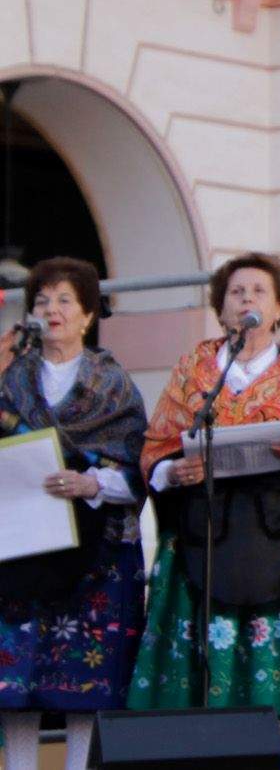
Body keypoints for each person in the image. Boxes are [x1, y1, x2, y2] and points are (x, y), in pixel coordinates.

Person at [128, 252, 280, 770]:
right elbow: (155, 449)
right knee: (210, 669)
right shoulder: (195, 370)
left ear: (278, 309)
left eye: (258, 291)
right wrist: (172, 471)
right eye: (236, 292)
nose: (246, 299)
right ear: (221, 307)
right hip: (207, 536)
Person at [0, 257, 148, 770]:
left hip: (96, 554)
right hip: (22, 545)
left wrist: (89, 482)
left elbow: (137, 467)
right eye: (42, 301)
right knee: (16, 683)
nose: (52, 310)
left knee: (86, 683)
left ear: (87, 315)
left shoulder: (113, 384)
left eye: (65, 300)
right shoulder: (12, 380)